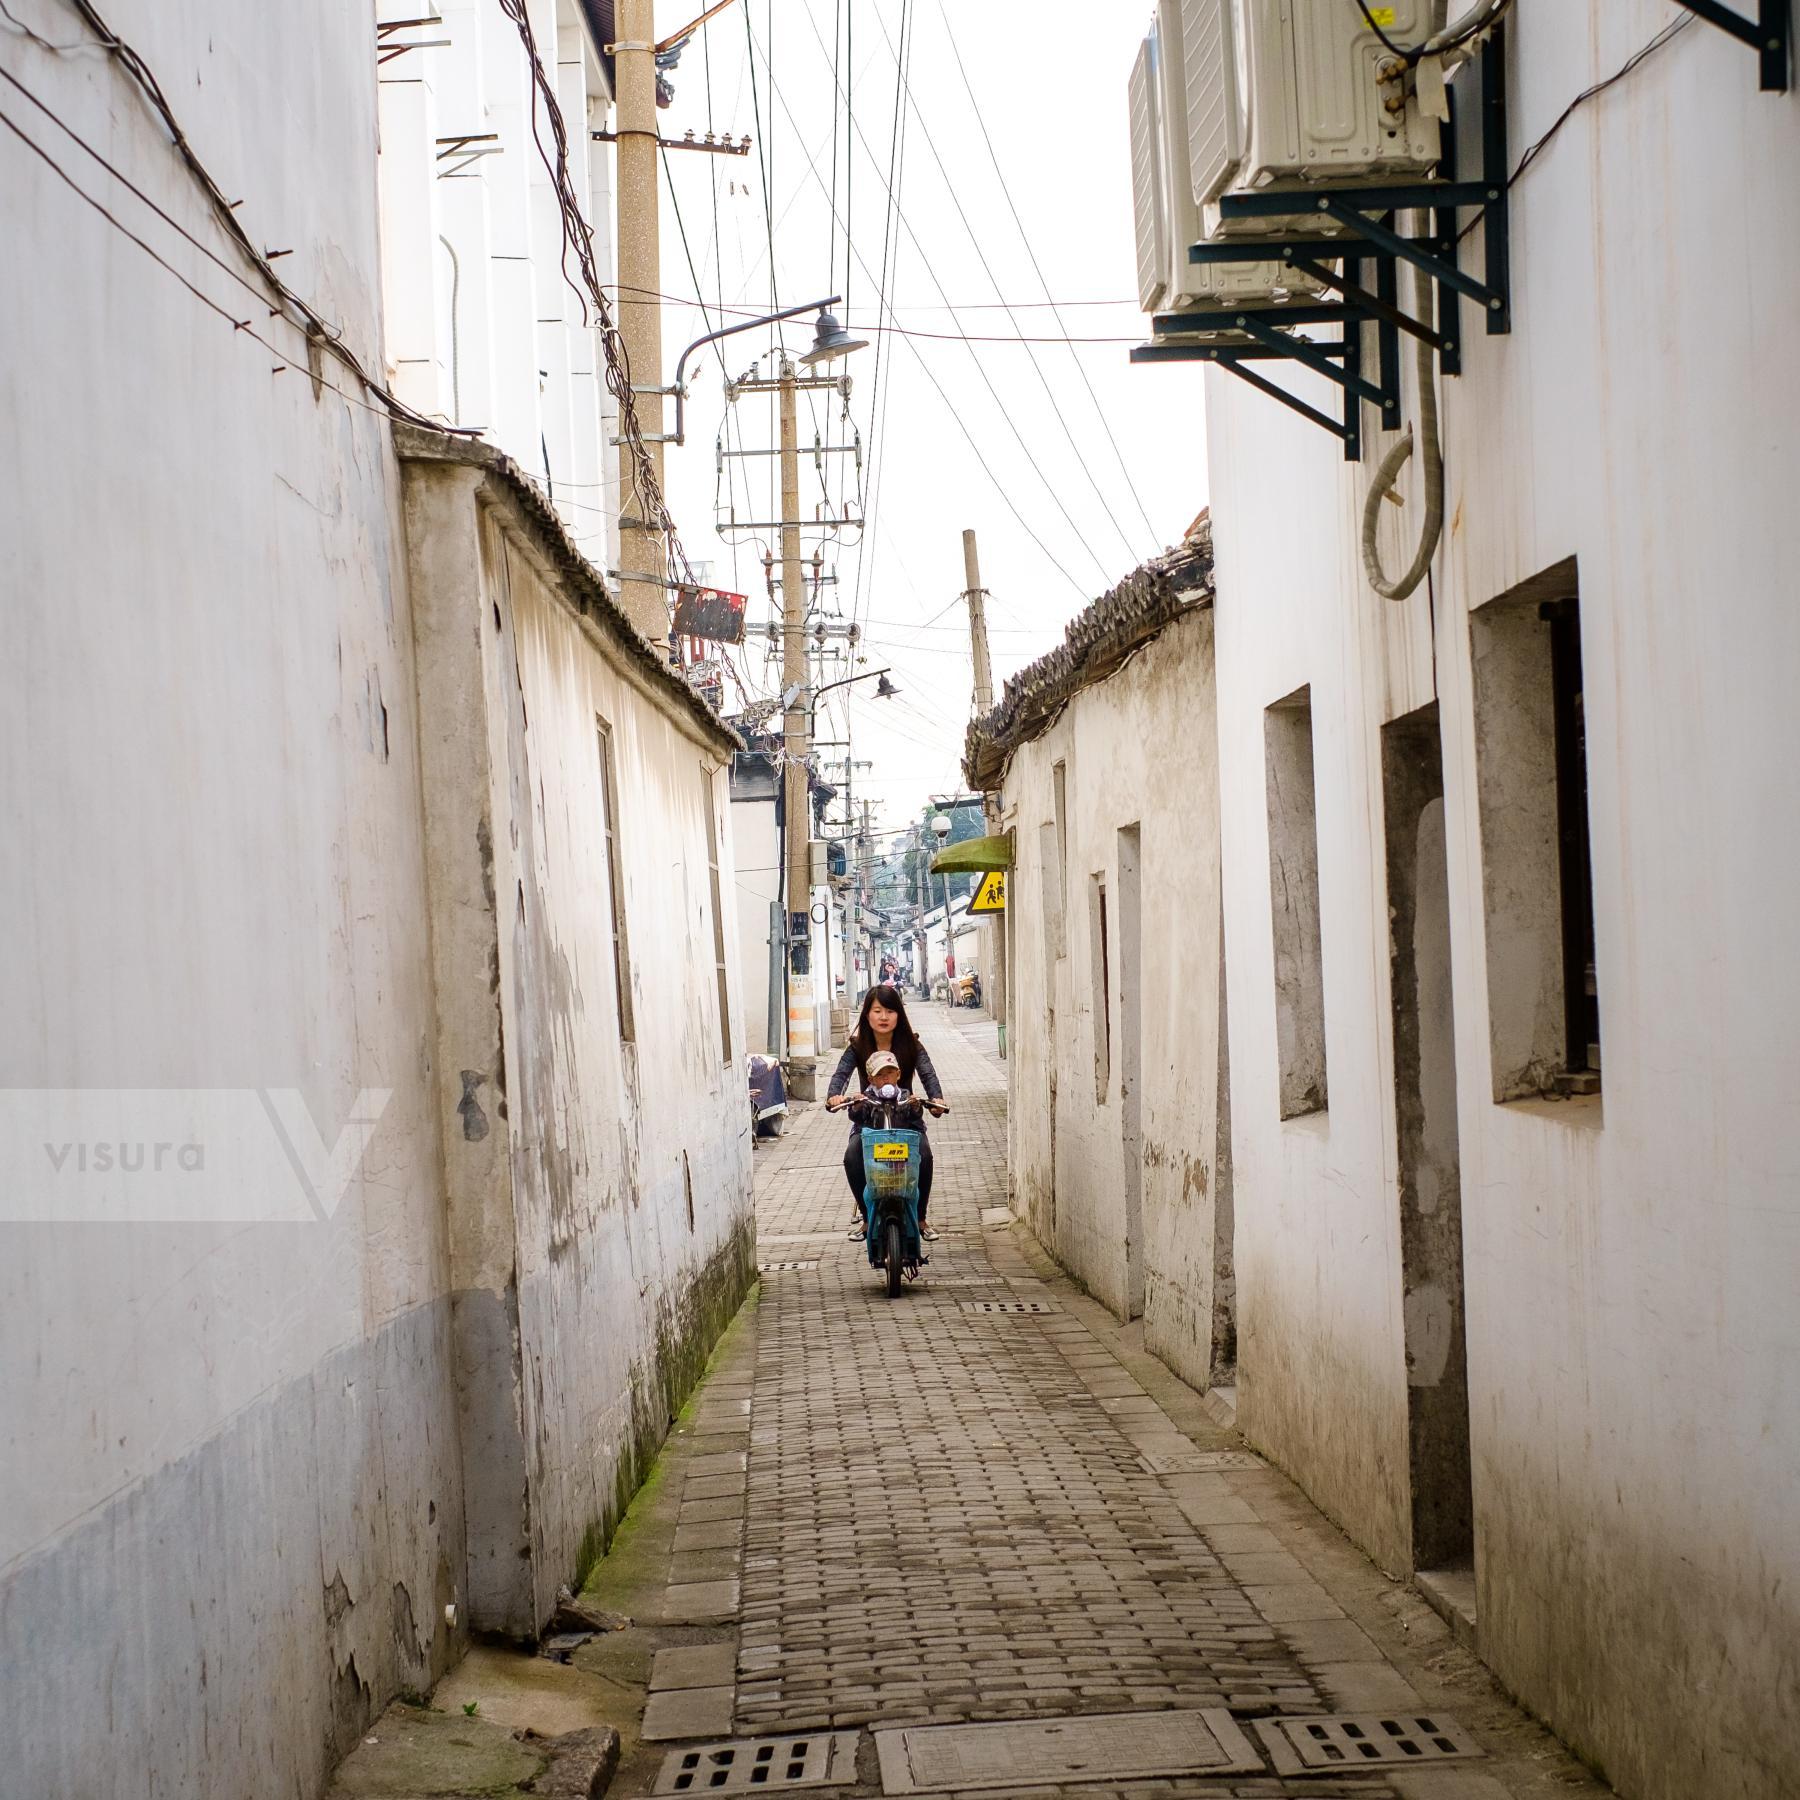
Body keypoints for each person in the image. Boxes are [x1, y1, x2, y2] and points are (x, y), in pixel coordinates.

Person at [825, 983, 946, 1241]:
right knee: (852, 1155)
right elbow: (840, 1076)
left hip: (905, 1118)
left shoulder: (911, 1044)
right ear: (867, 1013)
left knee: (923, 1153)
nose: (883, 1017)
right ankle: (868, 1219)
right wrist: (834, 1095)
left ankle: (921, 1218)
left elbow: (928, 1074)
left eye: (890, 1011)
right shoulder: (857, 1046)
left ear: (899, 1014)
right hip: (869, 1120)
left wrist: (936, 1099)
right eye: (877, 1010)